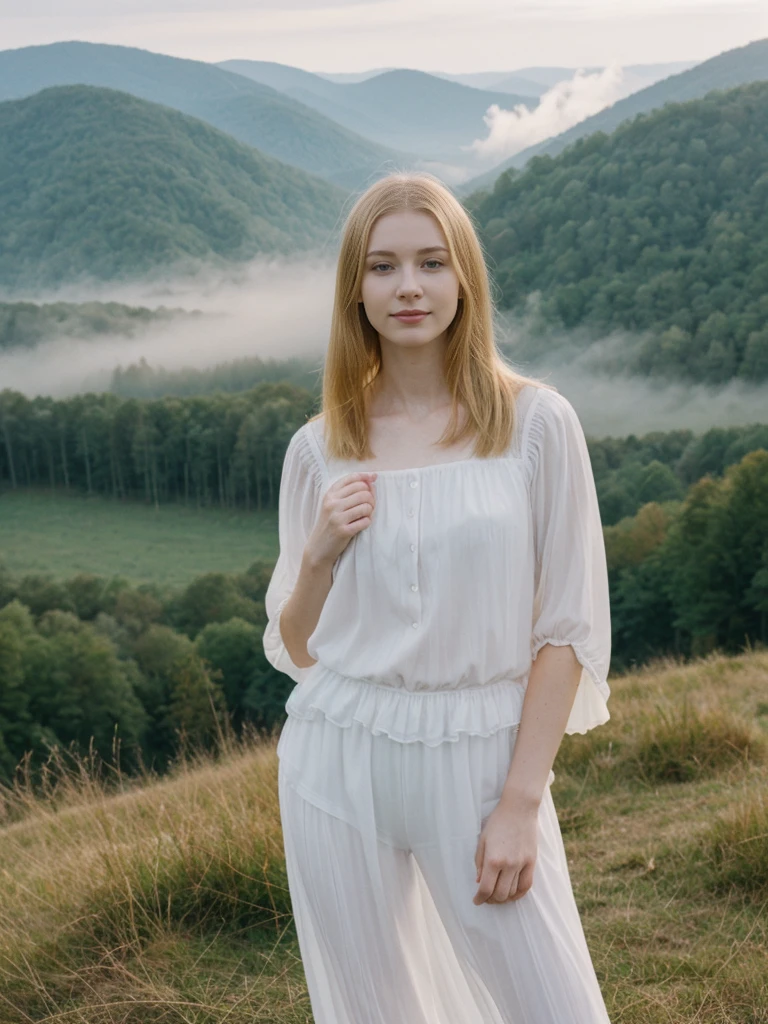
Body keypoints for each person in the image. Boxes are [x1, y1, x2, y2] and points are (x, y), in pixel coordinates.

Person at [262, 171, 613, 1023]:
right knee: (375, 1010)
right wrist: (317, 555)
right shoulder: (319, 448)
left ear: (465, 279)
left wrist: (521, 803)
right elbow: (298, 647)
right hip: (339, 756)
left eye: (430, 262)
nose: (408, 287)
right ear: (357, 288)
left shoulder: (536, 424)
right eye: (383, 267)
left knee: (554, 1004)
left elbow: (567, 627)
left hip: (482, 755)